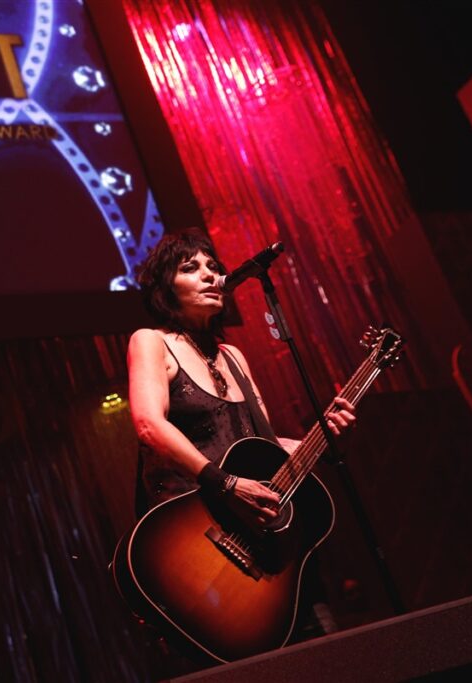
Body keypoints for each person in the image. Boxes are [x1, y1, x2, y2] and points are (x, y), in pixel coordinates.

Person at [125, 228, 356, 675]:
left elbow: (264, 447)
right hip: (200, 542)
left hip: (262, 543)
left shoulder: (233, 356)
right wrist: (226, 483)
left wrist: (321, 439)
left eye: (214, 266)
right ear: (165, 286)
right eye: (191, 268)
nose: (210, 275)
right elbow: (149, 425)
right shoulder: (151, 341)